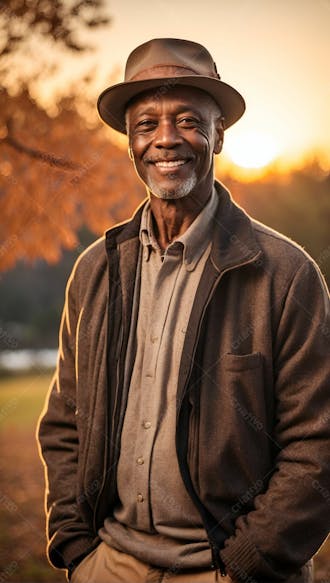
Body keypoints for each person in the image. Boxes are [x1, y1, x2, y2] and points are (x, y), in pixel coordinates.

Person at [37, 38, 329, 583]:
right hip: (109, 565)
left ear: (219, 133)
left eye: (189, 120)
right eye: (146, 123)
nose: (166, 139)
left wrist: (246, 565)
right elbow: (63, 421)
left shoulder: (285, 275)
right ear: (130, 142)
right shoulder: (94, 271)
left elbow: (318, 446)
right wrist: (78, 550)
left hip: (226, 572)